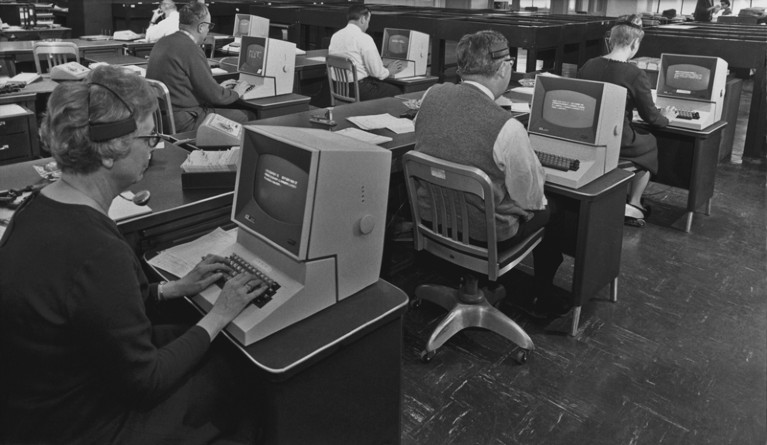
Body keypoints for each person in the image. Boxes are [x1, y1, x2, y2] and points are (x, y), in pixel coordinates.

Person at [0, 65, 266, 444]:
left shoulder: (37, 207)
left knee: (182, 331)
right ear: (110, 151)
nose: (153, 147)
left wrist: (173, 289)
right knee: (236, 372)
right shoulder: (96, 249)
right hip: (79, 426)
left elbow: (93, 309)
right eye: (149, 136)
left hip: (38, 403)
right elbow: (147, 382)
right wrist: (221, 314)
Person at [414, 30, 567, 317]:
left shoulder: (431, 95)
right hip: (484, 235)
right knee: (554, 209)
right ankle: (543, 297)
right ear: (504, 67)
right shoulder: (507, 127)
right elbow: (531, 198)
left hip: (431, 220)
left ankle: (472, 281)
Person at [578, 14, 678, 227]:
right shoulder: (634, 73)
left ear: (611, 40)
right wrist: (666, 118)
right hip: (617, 138)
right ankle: (634, 203)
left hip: (587, 133)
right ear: (635, 43)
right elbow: (651, 117)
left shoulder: (589, 65)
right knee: (649, 142)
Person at [146, 1, 255, 132]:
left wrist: (219, 88)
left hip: (161, 121)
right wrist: (237, 91)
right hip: (186, 121)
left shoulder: (162, 42)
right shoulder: (191, 48)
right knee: (249, 116)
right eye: (209, 26)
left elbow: (189, 86)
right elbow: (215, 96)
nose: (208, 30)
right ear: (201, 27)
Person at [328, 5, 406, 101]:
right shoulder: (364, 38)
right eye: (368, 21)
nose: (368, 25)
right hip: (359, 90)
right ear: (363, 19)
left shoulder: (336, 36)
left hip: (339, 88)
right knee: (398, 91)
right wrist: (389, 70)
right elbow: (377, 73)